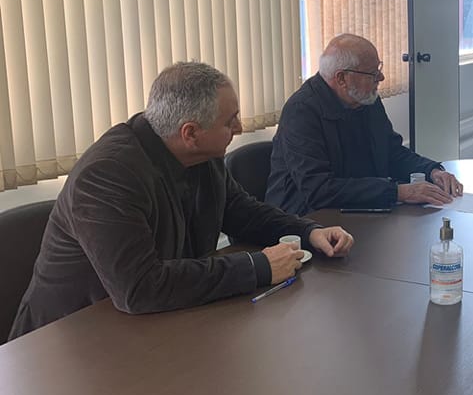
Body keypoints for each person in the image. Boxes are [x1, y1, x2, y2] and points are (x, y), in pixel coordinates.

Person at [10, 62, 354, 340]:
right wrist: (258, 267)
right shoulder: (107, 175)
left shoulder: (202, 155)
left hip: (149, 326)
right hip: (66, 343)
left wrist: (307, 231)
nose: (239, 127)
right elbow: (140, 287)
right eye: (230, 121)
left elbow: (241, 212)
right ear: (190, 133)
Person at [266, 33, 463, 214]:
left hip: (361, 208)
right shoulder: (301, 112)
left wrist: (431, 171)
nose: (381, 78)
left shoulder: (366, 98)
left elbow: (392, 152)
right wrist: (398, 192)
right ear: (342, 78)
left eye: (379, 69)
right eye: (372, 73)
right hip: (307, 219)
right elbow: (318, 190)